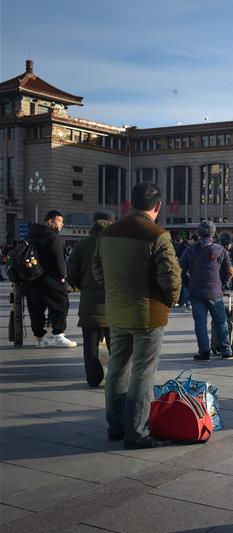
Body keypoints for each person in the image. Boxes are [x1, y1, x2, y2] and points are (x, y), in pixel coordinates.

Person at [93, 182, 181, 448]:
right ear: (157, 206)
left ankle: (115, 426)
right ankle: (137, 432)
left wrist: (113, 290)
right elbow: (171, 277)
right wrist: (170, 301)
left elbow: (97, 269)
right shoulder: (157, 234)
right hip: (148, 314)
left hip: (117, 311)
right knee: (143, 372)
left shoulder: (108, 233)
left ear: (130, 203)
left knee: (117, 369)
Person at [67, 210, 115, 386]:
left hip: (89, 300)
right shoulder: (118, 245)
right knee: (116, 344)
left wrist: (83, 284)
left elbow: (71, 272)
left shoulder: (82, 245)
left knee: (90, 344)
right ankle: (117, 378)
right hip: (114, 301)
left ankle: (93, 377)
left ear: (93, 224)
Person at [180, 220, 233, 361]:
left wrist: (188, 283)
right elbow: (230, 271)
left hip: (196, 291)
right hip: (215, 291)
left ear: (199, 233)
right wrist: (221, 283)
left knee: (200, 323)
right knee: (220, 321)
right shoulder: (220, 250)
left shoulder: (190, 249)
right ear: (213, 233)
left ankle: (204, 352)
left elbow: (181, 270)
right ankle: (226, 351)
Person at [26, 210, 77, 348]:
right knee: (61, 303)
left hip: (32, 278)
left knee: (36, 308)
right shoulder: (53, 237)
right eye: (59, 221)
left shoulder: (31, 236)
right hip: (51, 278)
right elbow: (59, 259)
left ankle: (40, 338)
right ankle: (58, 335)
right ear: (50, 221)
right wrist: (62, 276)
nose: (62, 224)